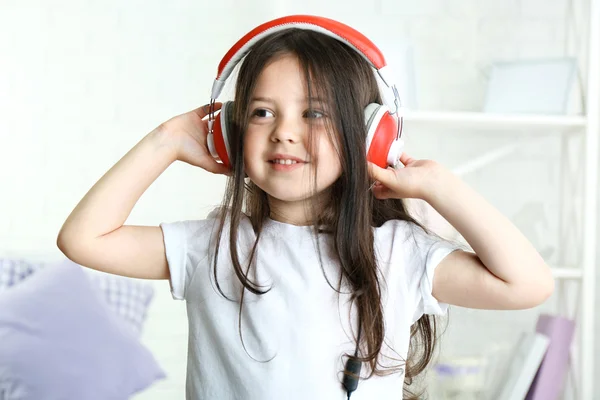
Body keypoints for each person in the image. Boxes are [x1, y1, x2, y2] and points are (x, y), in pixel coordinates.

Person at [57, 15, 554, 400]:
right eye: (261, 112)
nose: (284, 131)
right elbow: (83, 239)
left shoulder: (399, 254)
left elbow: (527, 283)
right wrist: (165, 141)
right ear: (230, 135)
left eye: (314, 112)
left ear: (369, 136)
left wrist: (438, 185)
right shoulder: (210, 247)